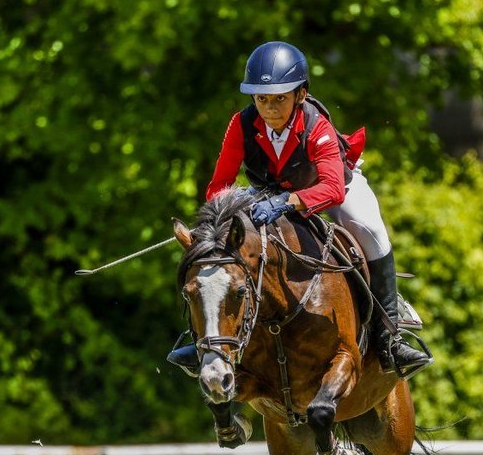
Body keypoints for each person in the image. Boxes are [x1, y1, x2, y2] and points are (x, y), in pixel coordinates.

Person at [168, 41, 431, 379]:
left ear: (300, 95)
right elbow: (218, 186)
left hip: (330, 187)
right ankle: (202, 339)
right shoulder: (241, 124)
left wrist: (285, 202)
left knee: (370, 229)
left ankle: (389, 333)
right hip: (267, 193)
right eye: (262, 98)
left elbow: (333, 189)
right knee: (218, 251)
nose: (269, 108)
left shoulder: (315, 125)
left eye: (279, 98)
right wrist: (231, 212)